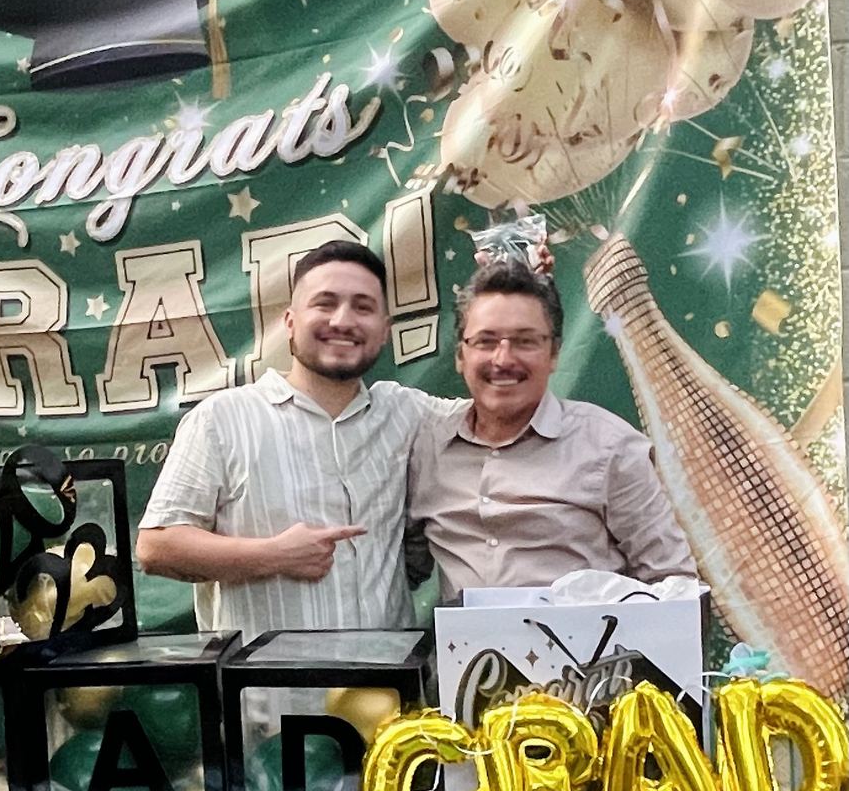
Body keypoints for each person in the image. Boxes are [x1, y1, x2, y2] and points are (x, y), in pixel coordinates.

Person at [136, 240, 451, 638]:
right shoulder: (222, 419)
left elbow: (499, 401)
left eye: (363, 307)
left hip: (390, 691)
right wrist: (274, 555)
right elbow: (156, 548)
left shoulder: (408, 413)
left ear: (385, 331)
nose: (342, 320)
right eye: (324, 303)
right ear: (289, 322)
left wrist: (527, 276)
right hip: (268, 695)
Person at [407, 260, 696, 603]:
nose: (503, 359)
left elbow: (673, 582)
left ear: (554, 354)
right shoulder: (428, 448)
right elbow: (400, 567)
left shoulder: (610, 447)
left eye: (525, 341)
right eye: (485, 342)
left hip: (584, 655)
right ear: (460, 355)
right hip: (465, 656)